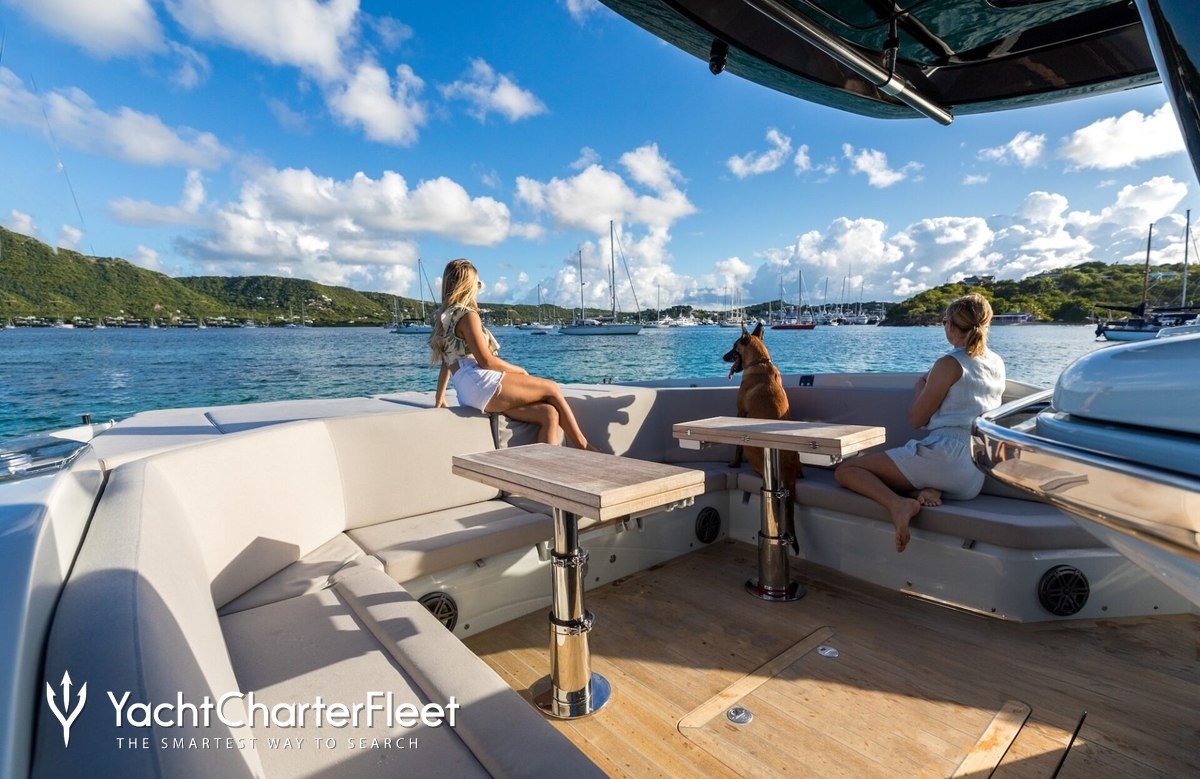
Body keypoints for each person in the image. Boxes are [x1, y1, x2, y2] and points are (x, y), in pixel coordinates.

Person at [834, 293, 1006, 553]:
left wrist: (919, 388)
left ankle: (898, 505)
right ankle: (927, 490)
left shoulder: (949, 364)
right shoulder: (996, 362)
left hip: (947, 456)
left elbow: (916, 419)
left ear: (951, 326)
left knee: (847, 470)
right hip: (975, 471)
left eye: (945, 321)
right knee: (903, 470)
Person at [428, 258, 598, 451]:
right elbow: (486, 361)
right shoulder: (468, 315)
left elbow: (446, 361)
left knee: (548, 413)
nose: (478, 288)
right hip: (480, 383)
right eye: (477, 283)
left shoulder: (444, 317)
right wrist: (519, 371)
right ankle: (583, 446)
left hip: (466, 391)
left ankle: (545, 466)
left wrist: (440, 398)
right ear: (468, 286)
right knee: (551, 388)